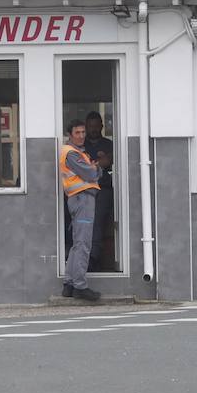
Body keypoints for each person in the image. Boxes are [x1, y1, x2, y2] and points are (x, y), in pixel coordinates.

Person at [60, 119, 102, 301]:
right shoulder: (72, 153)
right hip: (82, 198)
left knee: (78, 243)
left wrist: (94, 169)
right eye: (77, 133)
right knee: (83, 243)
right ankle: (80, 285)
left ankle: (69, 284)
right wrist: (94, 168)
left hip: (78, 198)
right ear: (70, 135)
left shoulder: (77, 153)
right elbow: (92, 174)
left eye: (83, 132)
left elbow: (94, 171)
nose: (82, 136)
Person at [83, 111, 114, 272]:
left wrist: (106, 162)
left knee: (96, 219)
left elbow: (114, 166)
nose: (94, 129)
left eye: (96, 126)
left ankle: (93, 258)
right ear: (86, 127)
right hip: (83, 190)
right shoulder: (80, 146)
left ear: (102, 126)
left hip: (104, 190)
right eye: (90, 126)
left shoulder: (110, 145)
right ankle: (82, 258)